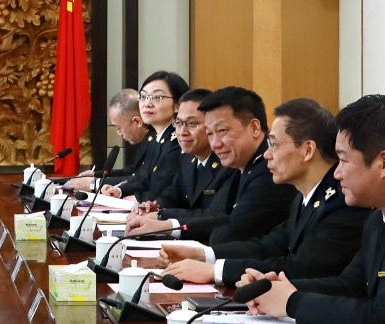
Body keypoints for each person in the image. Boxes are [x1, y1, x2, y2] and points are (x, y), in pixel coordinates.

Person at [243, 95, 385, 324]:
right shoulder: (380, 215)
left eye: (344, 160)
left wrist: (292, 302)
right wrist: (277, 288)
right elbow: (349, 285)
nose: (336, 174)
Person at [160, 99, 369, 286]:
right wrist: (204, 255)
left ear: (307, 150)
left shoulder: (344, 200)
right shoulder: (305, 194)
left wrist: (215, 271)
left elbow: (302, 268)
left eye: (274, 144)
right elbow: (270, 245)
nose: (267, 154)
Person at [126, 86, 296, 245]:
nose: (215, 144)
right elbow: (216, 215)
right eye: (209, 133)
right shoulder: (239, 162)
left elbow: (226, 232)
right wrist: (163, 220)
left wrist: (167, 225)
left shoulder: (270, 170)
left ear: (254, 128)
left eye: (222, 131)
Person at [128, 88, 223, 215]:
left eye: (192, 123)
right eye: (178, 123)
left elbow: (213, 216)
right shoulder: (187, 160)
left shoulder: (227, 164)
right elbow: (173, 196)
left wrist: (162, 217)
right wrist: (154, 206)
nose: (182, 132)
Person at [97, 71, 187, 201]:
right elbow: (143, 178)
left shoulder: (180, 141)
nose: (147, 104)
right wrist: (119, 190)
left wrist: (137, 199)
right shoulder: (157, 139)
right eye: (143, 97)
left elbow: (164, 192)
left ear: (177, 105)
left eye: (157, 97)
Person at [64, 89, 149, 191]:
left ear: (136, 121)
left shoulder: (156, 142)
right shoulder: (144, 141)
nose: (118, 133)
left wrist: (94, 184)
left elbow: (140, 180)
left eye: (119, 128)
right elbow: (131, 171)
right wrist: (95, 175)